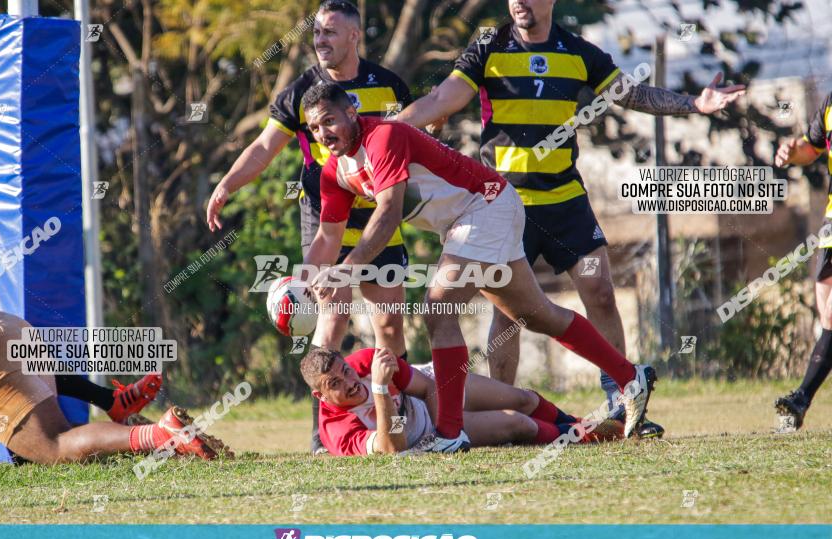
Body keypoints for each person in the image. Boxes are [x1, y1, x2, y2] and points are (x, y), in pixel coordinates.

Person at [395, 0, 744, 437]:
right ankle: (502, 415)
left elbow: (633, 94)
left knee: (599, 291)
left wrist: (695, 103)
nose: (518, 2)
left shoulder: (578, 51)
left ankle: (623, 403)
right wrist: (388, 133)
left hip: (565, 202)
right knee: (509, 316)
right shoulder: (489, 46)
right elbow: (444, 98)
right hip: (503, 206)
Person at [299, 81, 655, 453]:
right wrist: (302, 282)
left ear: (352, 113)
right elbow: (327, 236)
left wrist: (348, 268)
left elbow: (387, 215)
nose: (323, 134)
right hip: (472, 219)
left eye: (329, 121)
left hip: (485, 207)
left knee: (438, 309)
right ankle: (631, 377)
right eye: (314, 129)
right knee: (538, 316)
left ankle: (450, 434)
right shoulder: (334, 172)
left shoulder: (383, 137)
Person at [205, 0, 418, 454]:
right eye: (317, 33)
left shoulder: (388, 84)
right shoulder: (299, 92)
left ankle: (405, 423)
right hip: (326, 221)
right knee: (331, 323)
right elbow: (264, 147)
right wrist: (227, 183)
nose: (320, 41)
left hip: (382, 217)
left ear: (354, 37)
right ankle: (324, 436)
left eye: (330, 33)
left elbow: (418, 129)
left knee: (390, 328)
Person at [0, 312, 225, 463]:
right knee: (39, 450)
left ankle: (160, 434)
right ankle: (113, 401)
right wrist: (102, 398)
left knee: (55, 445)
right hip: (3, 324)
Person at [301, 346, 623, 456]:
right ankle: (596, 434)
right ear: (320, 395)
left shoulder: (367, 361)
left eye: (346, 371)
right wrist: (383, 392)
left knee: (523, 398)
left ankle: (584, 424)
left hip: (431, 394)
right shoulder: (336, 431)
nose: (350, 382)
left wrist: (451, 426)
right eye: (336, 384)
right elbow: (391, 448)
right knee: (517, 422)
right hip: (422, 435)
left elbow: (429, 388)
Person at [773, 90, 832, 431]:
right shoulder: (829, 103)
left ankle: (801, 399)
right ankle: (800, 401)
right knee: (826, 315)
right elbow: (813, 147)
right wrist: (793, 152)